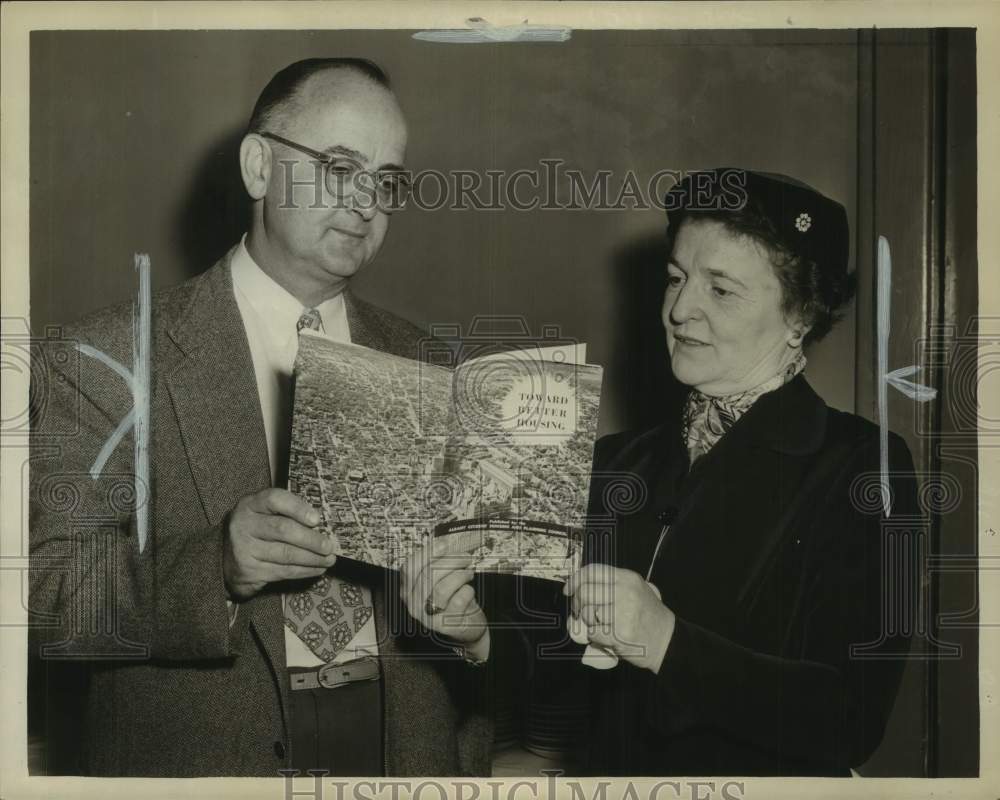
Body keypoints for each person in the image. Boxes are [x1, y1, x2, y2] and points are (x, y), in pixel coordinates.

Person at [29, 58, 492, 777]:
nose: (367, 201)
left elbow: (481, 609)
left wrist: (471, 632)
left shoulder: (432, 363)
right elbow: (48, 597)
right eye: (340, 166)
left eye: (388, 180)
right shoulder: (103, 358)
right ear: (257, 166)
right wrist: (216, 565)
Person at [564, 168, 920, 776]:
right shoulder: (615, 461)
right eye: (675, 278)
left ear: (799, 316)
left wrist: (666, 642)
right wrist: (473, 635)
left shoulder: (862, 467)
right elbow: (558, 685)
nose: (679, 310)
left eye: (720, 290)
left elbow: (850, 718)